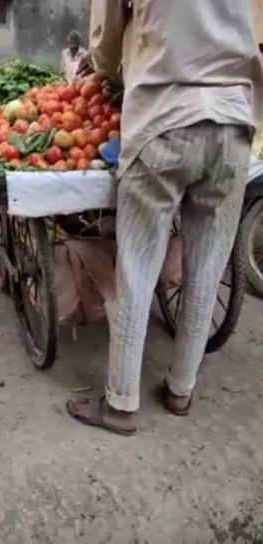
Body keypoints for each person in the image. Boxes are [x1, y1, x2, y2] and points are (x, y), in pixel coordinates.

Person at [67, 0, 263, 435]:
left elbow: (104, 46)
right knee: (208, 268)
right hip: (233, 123)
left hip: (164, 118)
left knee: (137, 266)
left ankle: (120, 404)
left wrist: (119, 73)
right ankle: (181, 389)